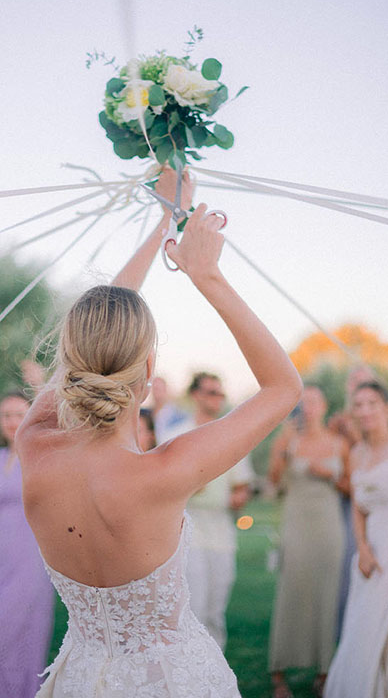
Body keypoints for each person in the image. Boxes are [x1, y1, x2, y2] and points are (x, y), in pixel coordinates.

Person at [17, 167, 302, 697]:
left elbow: (95, 332)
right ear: (149, 367)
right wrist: (204, 273)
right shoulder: (167, 471)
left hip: (79, 679)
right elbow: (283, 387)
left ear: (71, 359)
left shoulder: (32, 444)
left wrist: (161, 219)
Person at [159, 371, 254, 650]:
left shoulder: (231, 435)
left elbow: (242, 485)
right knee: (193, 606)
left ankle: (216, 679)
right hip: (185, 528)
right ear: (196, 395)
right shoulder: (175, 435)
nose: (217, 399)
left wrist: (239, 496)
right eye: (212, 392)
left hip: (221, 530)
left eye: (220, 393)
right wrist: (188, 487)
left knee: (215, 609)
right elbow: (162, 485)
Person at [267, 385, 347, 698]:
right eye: (303, 402)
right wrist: (283, 449)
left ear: (325, 405)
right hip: (297, 527)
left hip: (329, 529)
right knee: (290, 593)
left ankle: (324, 671)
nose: (309, 407)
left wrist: (326, 474)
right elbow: (274, 481)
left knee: (327, 597)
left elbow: (351, 486)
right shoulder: (288, 440)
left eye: (314, 400)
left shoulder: (340, 443)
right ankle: (279, 673)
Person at [325, 381, 388, 698]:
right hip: (371, 549)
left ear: (387, 408)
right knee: (364, 626)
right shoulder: (356, 453)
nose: (365, 410)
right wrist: (363, 549)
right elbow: (358, 508)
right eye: (358, 405)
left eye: (372, 403)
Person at [0, 390, 54, 698]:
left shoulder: (42, 459)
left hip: (28, 561)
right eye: (6, 415)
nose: (11, 422)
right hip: (2, 557)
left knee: (19, 633)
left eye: (19, 415)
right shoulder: (0, 459)